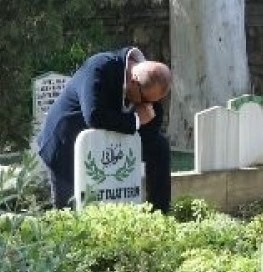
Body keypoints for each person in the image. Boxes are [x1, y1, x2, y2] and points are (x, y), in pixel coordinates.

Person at [37, 47, 172, 212]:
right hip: (66, 141)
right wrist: (136, 120)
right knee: (69, 208)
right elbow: (94, 116)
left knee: (159, 147)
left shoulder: (146, 87)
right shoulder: (100, 67)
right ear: (133, 81)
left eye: (154, 101)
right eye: (145, 100)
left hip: (107, 143)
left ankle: (160, 216)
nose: (147, 106)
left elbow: (149, 134)